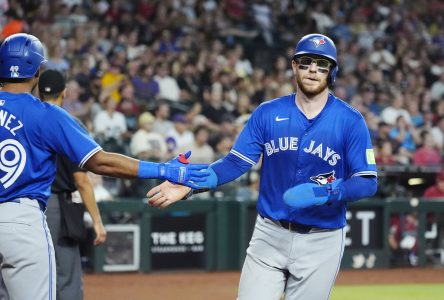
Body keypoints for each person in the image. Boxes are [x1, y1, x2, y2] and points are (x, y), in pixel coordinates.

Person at [148, 33, 378, 300]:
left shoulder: (350, 120)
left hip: (322, 239)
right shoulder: (267, 113)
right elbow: (234, 163)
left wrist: (328, 192)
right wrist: (190, 186)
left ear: (332, 71)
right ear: (294, 66)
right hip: (270, 234)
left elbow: (366, 180)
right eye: (305, 62)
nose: (313, 69)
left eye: (321, 63)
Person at [0, 33, 209, 300]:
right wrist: (163, 170)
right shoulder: (45, 114)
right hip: (21, 221)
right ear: (37, 70)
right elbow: (100, 161)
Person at [38, 69, 106, 300]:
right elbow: (81, 180)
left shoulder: (25, 118)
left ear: (38, 91)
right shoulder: (69, 123)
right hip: (56, 205)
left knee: (24, 273)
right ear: (64, 93)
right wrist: (97, 221)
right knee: (66, 276)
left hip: (21, 204)